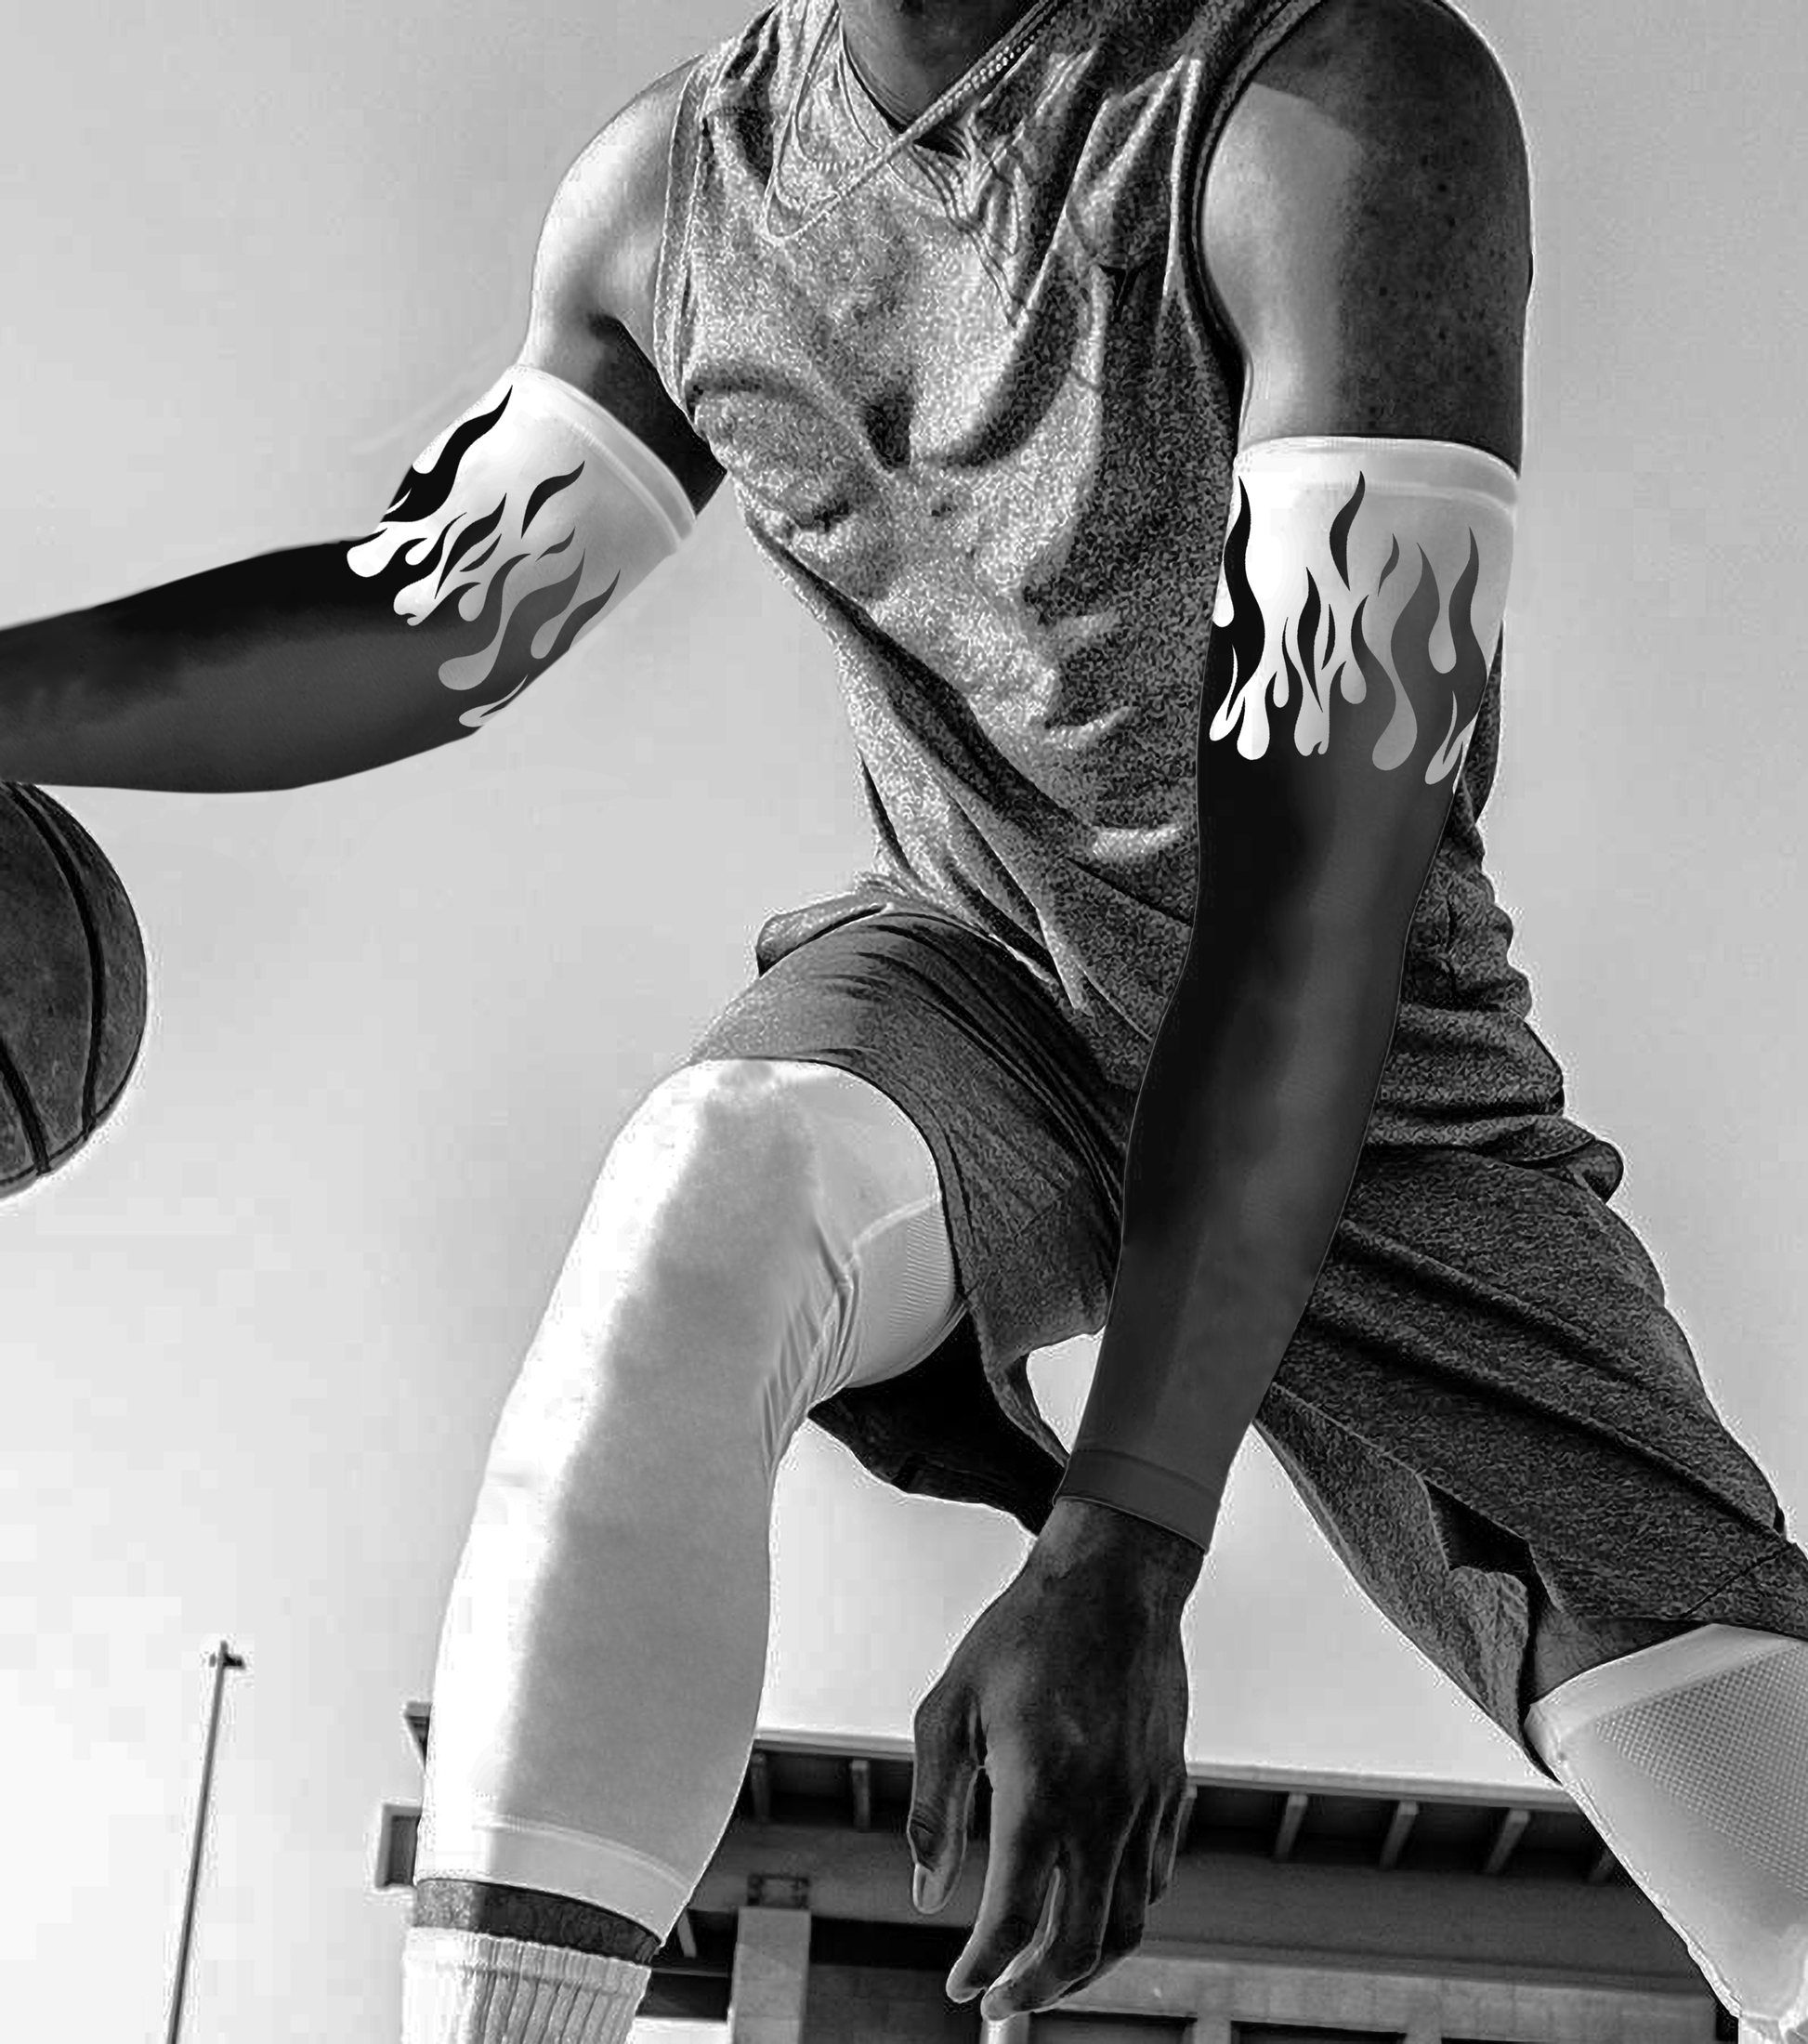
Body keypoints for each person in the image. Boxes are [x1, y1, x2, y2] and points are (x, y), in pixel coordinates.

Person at [8, 0, 1808, 2037]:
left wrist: (1124, 1536)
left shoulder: (1330, 108)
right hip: (984, 986)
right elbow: (435, 617)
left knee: (1787, 1898)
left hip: (1358, 1081)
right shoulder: (673, 203)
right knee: (715, 1187)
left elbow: (1318, 882)